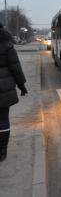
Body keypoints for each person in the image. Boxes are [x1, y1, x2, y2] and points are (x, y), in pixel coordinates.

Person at [0, 23, 28, 162]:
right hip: (4, 89)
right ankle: (2, 150)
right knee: (3, 119)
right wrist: (21, 85)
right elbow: (15, 67)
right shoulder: (7, 46)